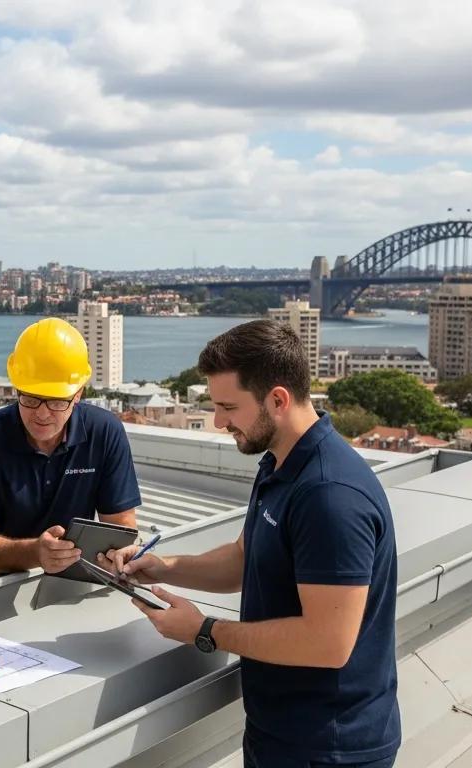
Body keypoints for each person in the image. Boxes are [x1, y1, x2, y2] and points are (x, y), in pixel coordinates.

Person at [102, 320, 400, 768]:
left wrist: (204, 631)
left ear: (277, 400)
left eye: (228, 407)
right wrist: (164, 567)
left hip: (329, 748)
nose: (219, 421)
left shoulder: (328, 495)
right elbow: (246, 559)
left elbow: (328, 643)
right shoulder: (280, 462)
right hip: (279, 732)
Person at [0, 317, 142, 574]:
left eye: (56, 402)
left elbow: (120, 525)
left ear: (78, 394)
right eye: (30, 398)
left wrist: (122, 553)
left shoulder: (105, 431)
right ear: (16, 388)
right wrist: (35, 553)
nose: (42, 414)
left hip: (75, 580)